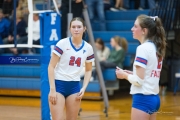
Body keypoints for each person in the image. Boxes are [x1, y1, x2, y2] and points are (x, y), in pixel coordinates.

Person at [116, 15, 166, 120]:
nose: (132, 29)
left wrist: (124, 75)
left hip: (143, 99)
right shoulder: (155, 47)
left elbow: (139, 81)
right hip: (154, 99)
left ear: (144, 31)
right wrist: (131, 74)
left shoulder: (142, 48)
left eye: (135, 26)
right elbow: (148, 74)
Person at [48, 17, 94, 120]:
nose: (76, 29)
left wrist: (84, 87)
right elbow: (51, 66)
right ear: (70, 29)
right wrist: (52, 89)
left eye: (79, 27)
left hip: (74, 87)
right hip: (58, 85)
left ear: (84, 28)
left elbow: (88, 70)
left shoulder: (88, 48)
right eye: (73, 27)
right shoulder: (62, 43)